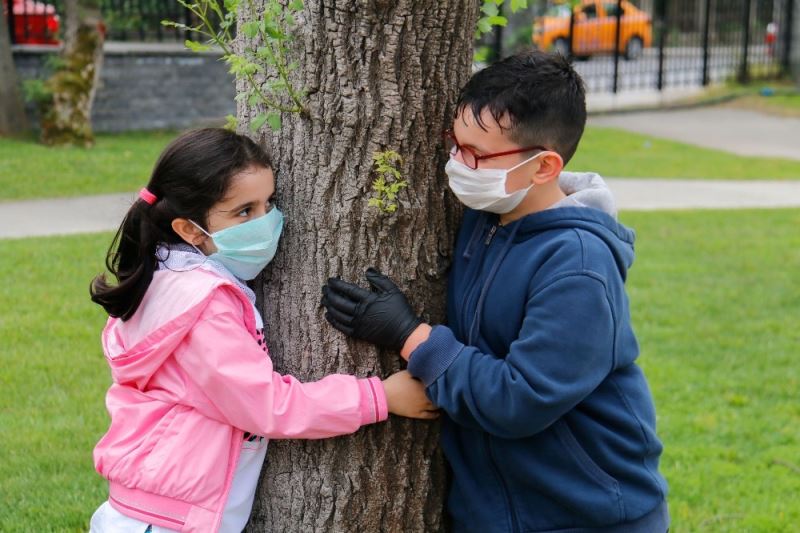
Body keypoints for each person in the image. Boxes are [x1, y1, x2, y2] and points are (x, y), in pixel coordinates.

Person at [321, 51, 669, 532]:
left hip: (586, 516)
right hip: (492, 514)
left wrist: (409, 335)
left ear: (544, 166)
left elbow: (518, 399)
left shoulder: (579, 267)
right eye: (455, 145)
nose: (459, 165)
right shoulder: (484, 219)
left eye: (478, 156)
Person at [88, 128, 438, 533]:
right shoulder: (204, 305)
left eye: (269, 203)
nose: (266, 221)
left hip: (155, 513)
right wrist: (378, 396)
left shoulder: (167, 275)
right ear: (189, 229)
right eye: (244, 212)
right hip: (167, 522)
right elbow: (266, 405)